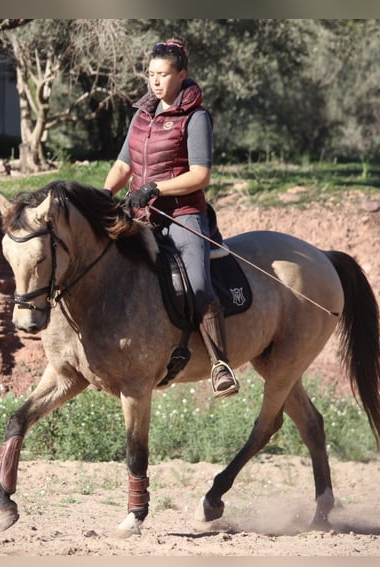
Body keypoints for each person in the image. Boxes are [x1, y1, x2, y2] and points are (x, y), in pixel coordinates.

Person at [102, 38, 238, 398]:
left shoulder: (196, 118)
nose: (155, 82)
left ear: (182, 74)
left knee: (196, 285)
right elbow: (123, 164)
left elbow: (200, 176)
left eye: (163, 74)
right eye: (151, 74)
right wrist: (104, 195)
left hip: (183, 215)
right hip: (140, 213)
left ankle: (220, 363)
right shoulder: (141, 114)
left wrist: (156, 188)